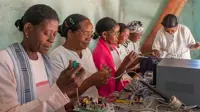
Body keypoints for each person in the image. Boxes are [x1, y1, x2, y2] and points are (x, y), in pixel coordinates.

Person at [0, 4, 85, 112]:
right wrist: (59, 89)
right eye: (47, 33)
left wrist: (65, 105)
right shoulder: (5, 60)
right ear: (28, 29)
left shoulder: (45, 60)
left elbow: (47, 101)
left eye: (54, 34)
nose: (52, 40)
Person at [49, 14, 110, 102]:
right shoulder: (57, 56)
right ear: (70, 33)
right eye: (86, 33)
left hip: (93, 104)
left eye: (91, 34)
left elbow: (92, 82)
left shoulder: (87, 52)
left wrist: (101, 78)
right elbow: (59, 95)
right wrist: (91, 81)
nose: (89, 38)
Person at [92, 17, 138, 97]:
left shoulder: (112, 47)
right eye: (116, 33)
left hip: (120, 84)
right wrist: (125, 63)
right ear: (104, 34)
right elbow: (112, 81)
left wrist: (129, 63)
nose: (118, 36)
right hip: (107, 94)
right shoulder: (101, 53)